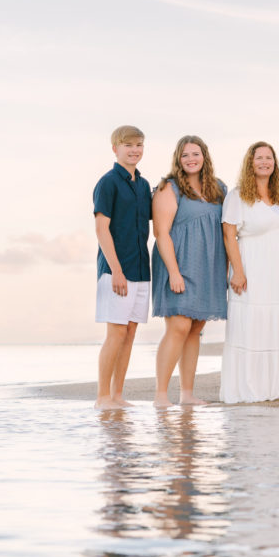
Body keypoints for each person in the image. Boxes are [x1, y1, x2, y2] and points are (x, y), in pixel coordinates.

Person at [151, 135, 228, 408]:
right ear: (178, 159)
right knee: (179, 326)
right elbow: (161, 233)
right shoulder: (168, 188)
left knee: (195, 328)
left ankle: (187, 394)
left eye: (195, 154)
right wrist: (174, 272)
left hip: (209, 266)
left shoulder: (219, 188)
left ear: (204, 156)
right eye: (185, 155)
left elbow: (228, 230)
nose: (191, 159)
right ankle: (161, 394)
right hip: (178, 263)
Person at [219, 142, 279, 403]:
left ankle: (273, 388)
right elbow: (229, 235)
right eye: (259, 158)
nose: (264, 162)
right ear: (250, 163)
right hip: (251, 266)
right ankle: (248, 389)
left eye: (269, 158)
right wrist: (237, 272)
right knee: (251, 323)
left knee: (276, 322)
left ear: (275, 163)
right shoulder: (238, 195)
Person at [93, 125, 152, 410]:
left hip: (142, 271)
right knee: (115, 333)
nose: (134, 150)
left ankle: (118, 396)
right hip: (115, 271)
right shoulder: (108, 183)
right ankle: (102, 397)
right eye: (128, 145)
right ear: (115, 148)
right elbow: (102, 229)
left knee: (129, 334)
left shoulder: (143, 185)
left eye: (138, 145)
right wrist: (116, 270)